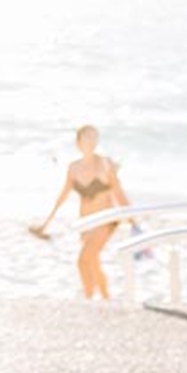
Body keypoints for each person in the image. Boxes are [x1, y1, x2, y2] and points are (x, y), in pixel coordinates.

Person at [30, 125, 131, 299]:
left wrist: (133, 220)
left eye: (94, 137)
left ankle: (89, 298)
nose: (92, 141)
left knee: (83, 260)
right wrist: (46, 223)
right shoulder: (73, 168)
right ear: (78, 142)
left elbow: (118, 192)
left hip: (106, 219)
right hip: (86, 222)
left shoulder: (106, 164)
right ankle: (106, 298)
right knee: (93, 262)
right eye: (87, 137)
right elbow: (62, 196)